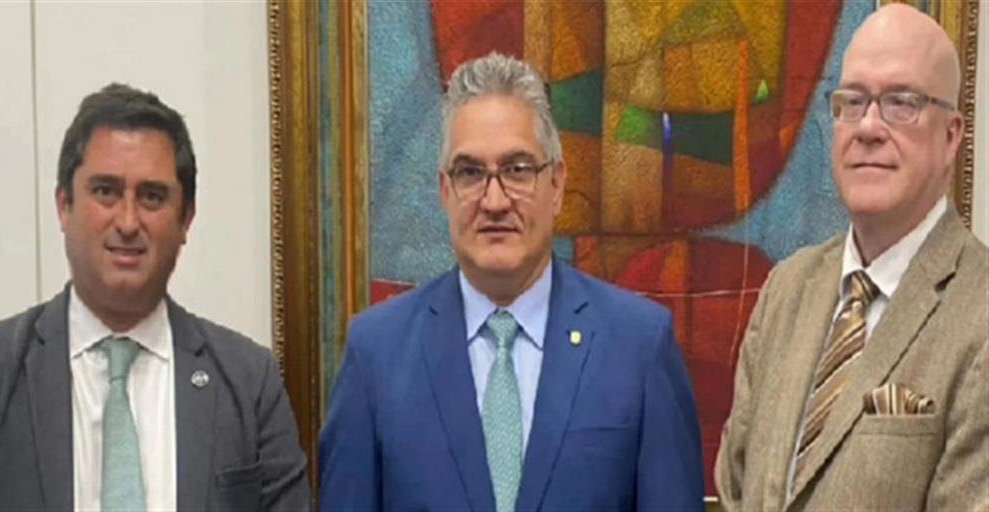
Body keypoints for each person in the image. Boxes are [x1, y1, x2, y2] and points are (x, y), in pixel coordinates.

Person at [320, 52, 704, 511]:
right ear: (445, 191)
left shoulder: (639, 346)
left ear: (556, 185)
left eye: (517, 170)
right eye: (470, 173)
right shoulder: (376, 355)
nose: (495, 201)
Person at [0, 84, 310, 511]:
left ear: (186, 219)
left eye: (152, 197)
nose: (128, 222)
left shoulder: (249, 382)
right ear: (63, 205)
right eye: (105, 191)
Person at [715, 4, 988, 510]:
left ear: (951, 136)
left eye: (901, 102)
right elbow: (736, 488)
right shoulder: (786, 289)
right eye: (853, 101)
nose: (868, 127)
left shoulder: (980, 313)